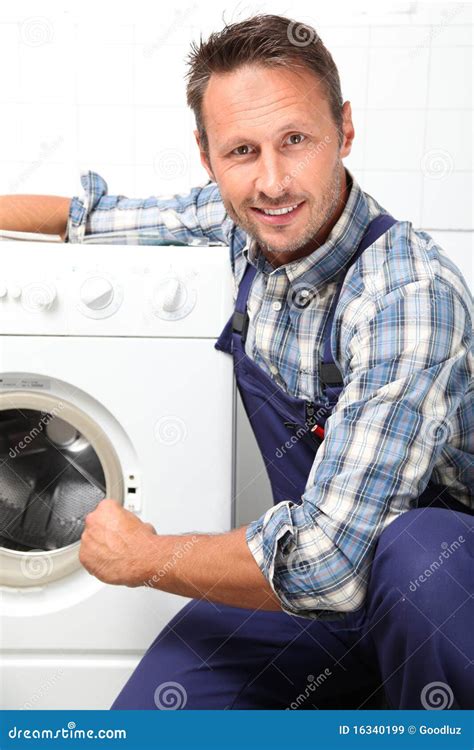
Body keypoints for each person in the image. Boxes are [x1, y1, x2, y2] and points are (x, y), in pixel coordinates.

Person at [1, 14, 472, 711]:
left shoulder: (406, 296)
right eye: (242, 151)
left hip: (437, 596)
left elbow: (330, 563)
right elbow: (88, 216)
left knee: (417, 553)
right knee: (154, 719)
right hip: (317, 593)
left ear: (344, 129)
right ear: (207, 154)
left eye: (296, 140)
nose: (273, 181)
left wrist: (147, 558)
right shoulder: (234, 221)